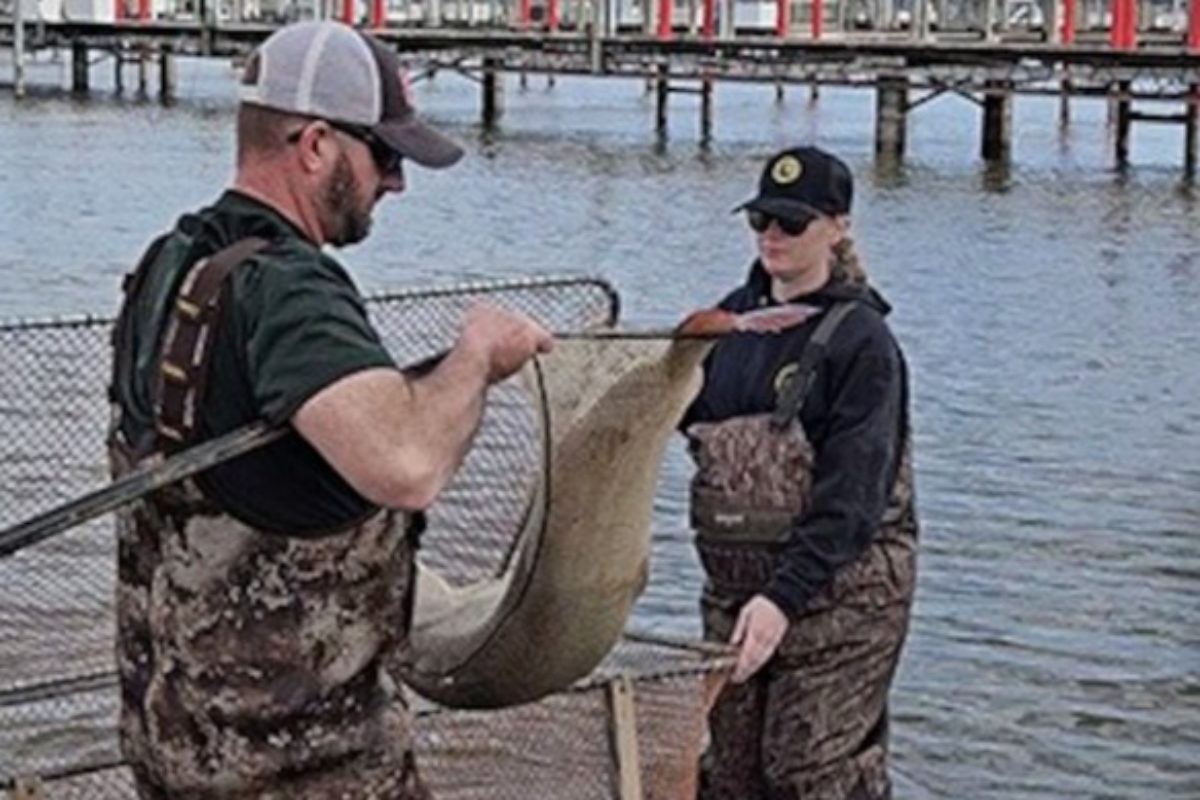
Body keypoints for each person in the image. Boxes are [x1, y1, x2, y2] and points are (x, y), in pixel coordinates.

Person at [106, 21, 552, 800]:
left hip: (175, 750)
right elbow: (407, 465)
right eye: (385, 156)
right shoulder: (288, 288)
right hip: (303, 770)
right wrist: (477, 356)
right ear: (314, 145)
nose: (396, 182)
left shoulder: (168, 264)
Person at [681, 146, 918, 800]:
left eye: (793, 223)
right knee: (730, 774)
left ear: (838, 226)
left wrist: (785, 597)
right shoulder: (727, 320)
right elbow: (685, 422)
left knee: (806, 769)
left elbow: (856, 495)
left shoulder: (863, 343)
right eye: (761, 221)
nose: (772, 237)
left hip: (845, 589)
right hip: (734, 591)